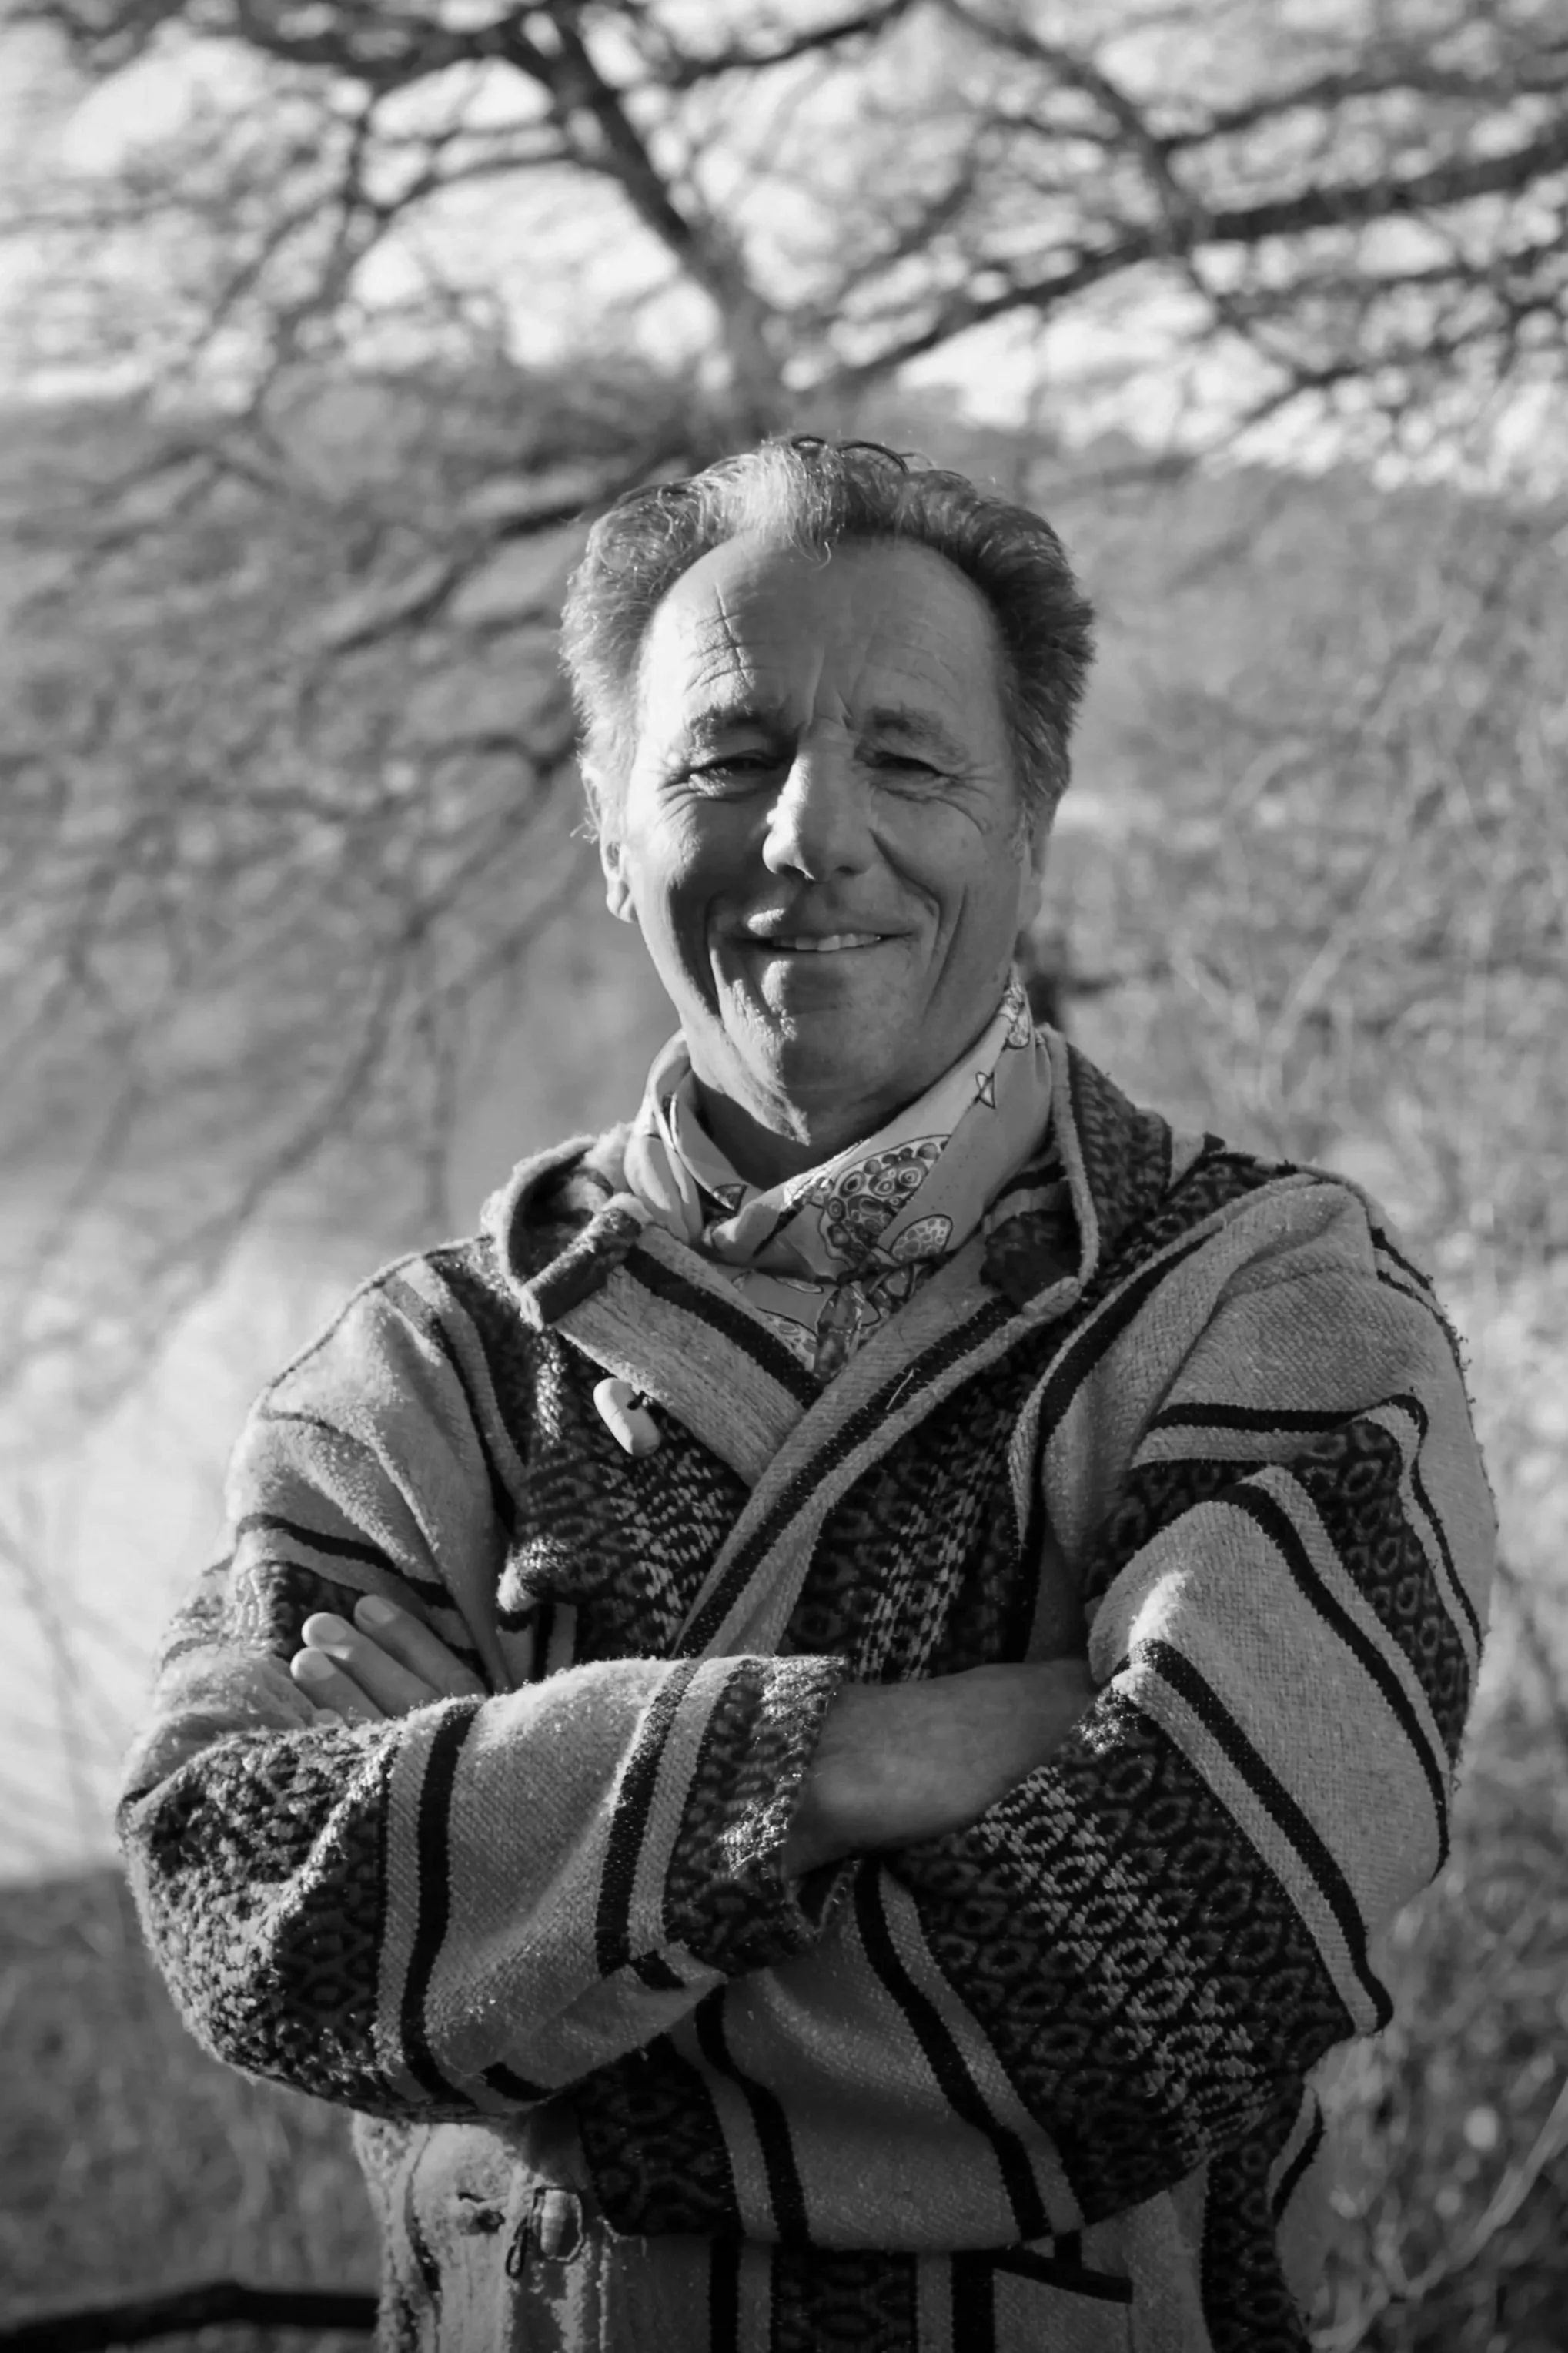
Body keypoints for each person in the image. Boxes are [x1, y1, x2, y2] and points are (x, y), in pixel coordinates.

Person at [119, 437, 1494, 2353]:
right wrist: (845, 1759)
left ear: (1032, 810)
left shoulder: (1269, 1307)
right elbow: (239, 1893)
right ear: (610, 828)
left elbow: (1178, 1958)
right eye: (726, 758)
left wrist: (491, 1941)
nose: (808, 836)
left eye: (909, 761)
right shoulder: (416, 1371)